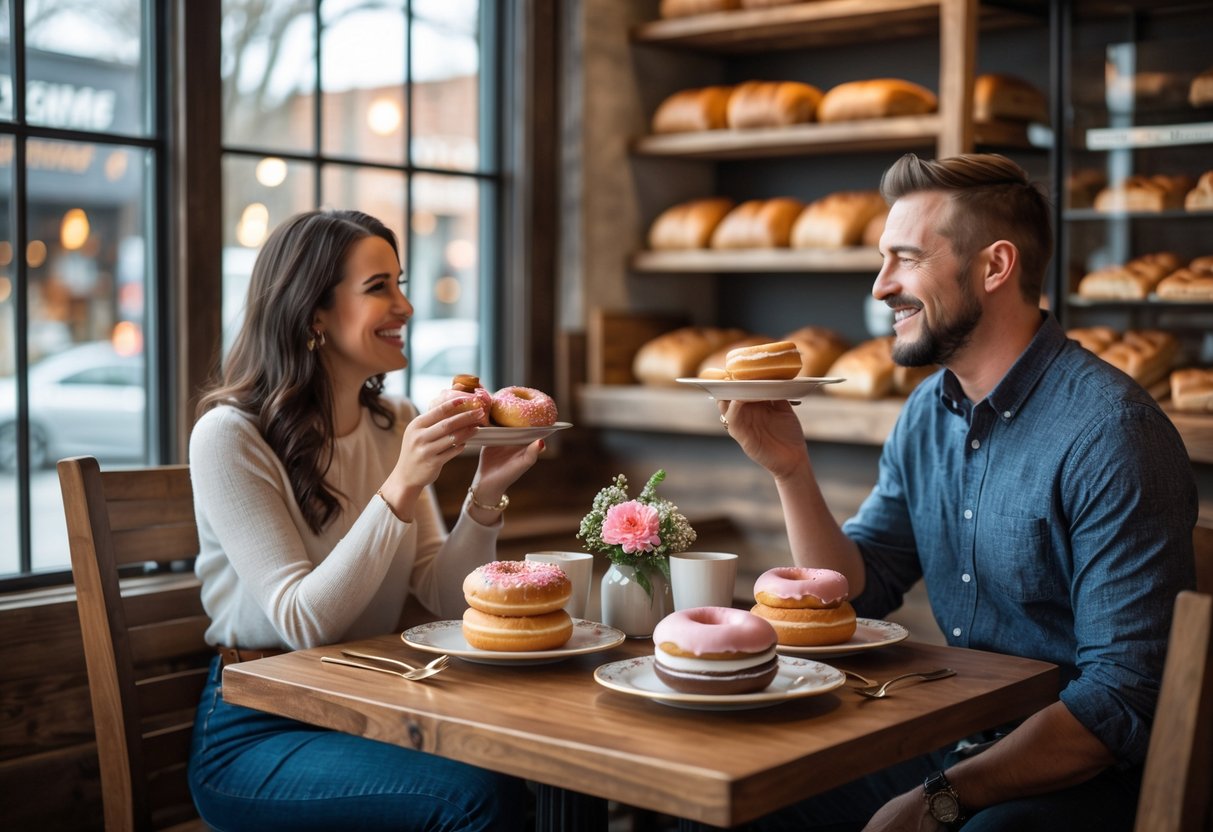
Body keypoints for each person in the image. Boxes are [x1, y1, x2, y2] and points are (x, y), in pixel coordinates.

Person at [723, 153, 1197, 831]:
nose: (881, 287)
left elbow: (1117, 705)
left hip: (1080, 774)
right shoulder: (925, 413)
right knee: (743, 794)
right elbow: (856, 589)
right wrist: (789, 470)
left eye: (905, 259)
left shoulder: (1112, 434)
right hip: (956, 741)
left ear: (994, 267)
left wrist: (938, 799)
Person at [187, 209, 540, 830]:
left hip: (369, 702)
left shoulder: (393, 420)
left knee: (530, 766)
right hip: (258, 728)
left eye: (400, 283)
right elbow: (303, 621)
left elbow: (439, 597)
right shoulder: (229, 436)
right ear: (313, 313)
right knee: (476, 798)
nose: (405, 306)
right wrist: (401, 483)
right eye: (380, 288)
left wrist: (485, 494)